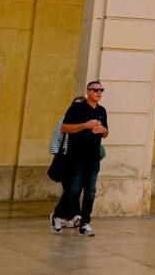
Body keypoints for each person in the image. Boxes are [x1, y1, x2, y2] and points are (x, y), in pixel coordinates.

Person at [51, 81, 108, 237]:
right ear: (88, 91)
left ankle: (85, 223)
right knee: (74, 189)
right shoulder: (76, 109)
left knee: (90, 191)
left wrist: (103, 130)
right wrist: (86, 125)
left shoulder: (102, 110)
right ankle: (57, 215)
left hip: (93, 158)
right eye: (95, 90)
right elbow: (65, 128)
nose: (99, 92)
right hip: (77, 157)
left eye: (101, 90)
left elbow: (106, 132)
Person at [48, 96, 86, 233]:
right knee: (71, 189)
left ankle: (74, 216)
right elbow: (54, 140)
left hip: (80, 161)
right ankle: (62, 215)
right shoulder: (63, 122)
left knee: (76, 189)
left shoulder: (86, 124)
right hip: (65, 160)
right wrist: (56, 157)